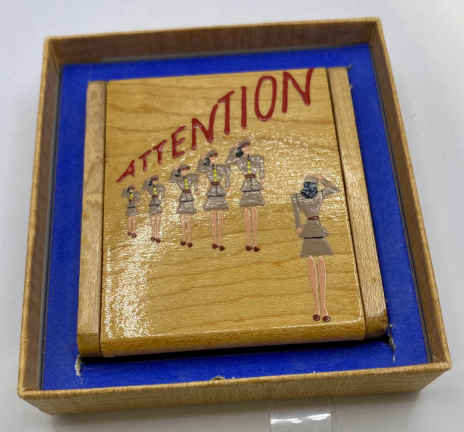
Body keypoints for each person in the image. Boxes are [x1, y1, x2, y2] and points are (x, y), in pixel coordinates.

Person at [291, 174, 339, 322]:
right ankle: (317, 307)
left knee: (319, 261)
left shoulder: (318, 195)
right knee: (312, 261)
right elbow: (296, 213)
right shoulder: (299, 197)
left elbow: (334, 189)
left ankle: (323, 307)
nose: (312, 187)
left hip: (317, 229)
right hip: (309, 229)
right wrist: (298, 225)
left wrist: (323, 178)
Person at [226, 138, 265, 251]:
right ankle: (248, 241)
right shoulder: (239, 160)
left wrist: (262, 177)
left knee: (254, 213)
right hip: (246, 185)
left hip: (255, 185)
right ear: (241, 149)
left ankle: (255, 242)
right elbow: (228, 162)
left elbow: (262, 168)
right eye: (244, 147)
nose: (247, 148)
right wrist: (234, 149)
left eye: (248, 146)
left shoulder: (258, 158)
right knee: (247, 213)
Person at [196, 150, 231, 251]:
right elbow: (199, 169)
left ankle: (220, 241)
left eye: (214, 157)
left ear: (216, 157)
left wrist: (227, 185)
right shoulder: (207, 168)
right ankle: (215, 241)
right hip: (211, 191)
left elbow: (227, 174)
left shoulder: (221, 167)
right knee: (213, 218)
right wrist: (201, 160)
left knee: (220, 218)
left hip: (219, 191)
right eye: (211, 157)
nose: (213, 159)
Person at [169, 164, 199, 247]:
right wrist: (174, 171)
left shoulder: (191, 177)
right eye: (183, 170)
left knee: (188, 220)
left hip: (189, 198)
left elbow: (196, 179)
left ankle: (189, 239)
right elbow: (171, 180)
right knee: (182, 219)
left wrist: (196, 189)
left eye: (186, 170)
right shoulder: (178, 178)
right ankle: (184, 238)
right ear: (180, 171)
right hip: (183, 198)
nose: (185, 172)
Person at [142, 175, 165, 243]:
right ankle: (153, 234)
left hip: (157, 204)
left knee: (158, 220)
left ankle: (157, 235)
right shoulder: (149, 188)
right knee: (153, 220)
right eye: (154, 181)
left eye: (156, 180)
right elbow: (146, 195)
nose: (155, 182)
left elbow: (163, 196)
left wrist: (161, 200)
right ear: (152, 181)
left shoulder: (160, 187)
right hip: (152, 204)